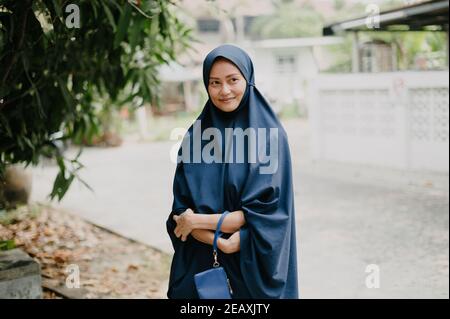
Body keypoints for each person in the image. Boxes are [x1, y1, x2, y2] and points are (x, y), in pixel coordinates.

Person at [166, 44, 298, 299]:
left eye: (232, 80)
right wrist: (220, 242)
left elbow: (264, 214)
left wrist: (197, 222)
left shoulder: (269, 137)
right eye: (214, 82)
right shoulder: (196, 137)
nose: (224, 90)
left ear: (247, 80)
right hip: (201, 265)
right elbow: (179, 216)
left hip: (252, 267)